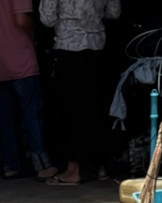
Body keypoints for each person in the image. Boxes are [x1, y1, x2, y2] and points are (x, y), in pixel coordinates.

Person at [39, 0, 120, 185]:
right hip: (96, 48)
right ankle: (100, 166)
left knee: (70, 111)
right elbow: (114, 12)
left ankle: (73, 169)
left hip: (68, 48)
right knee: (95, 109)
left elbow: (47, 18)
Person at [0, 0, 57, 180]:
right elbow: (22, 20)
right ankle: (42, 164)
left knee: (6, 118)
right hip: (20, 58)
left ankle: (11, 165)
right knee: (32, 114)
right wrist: (37, 28)